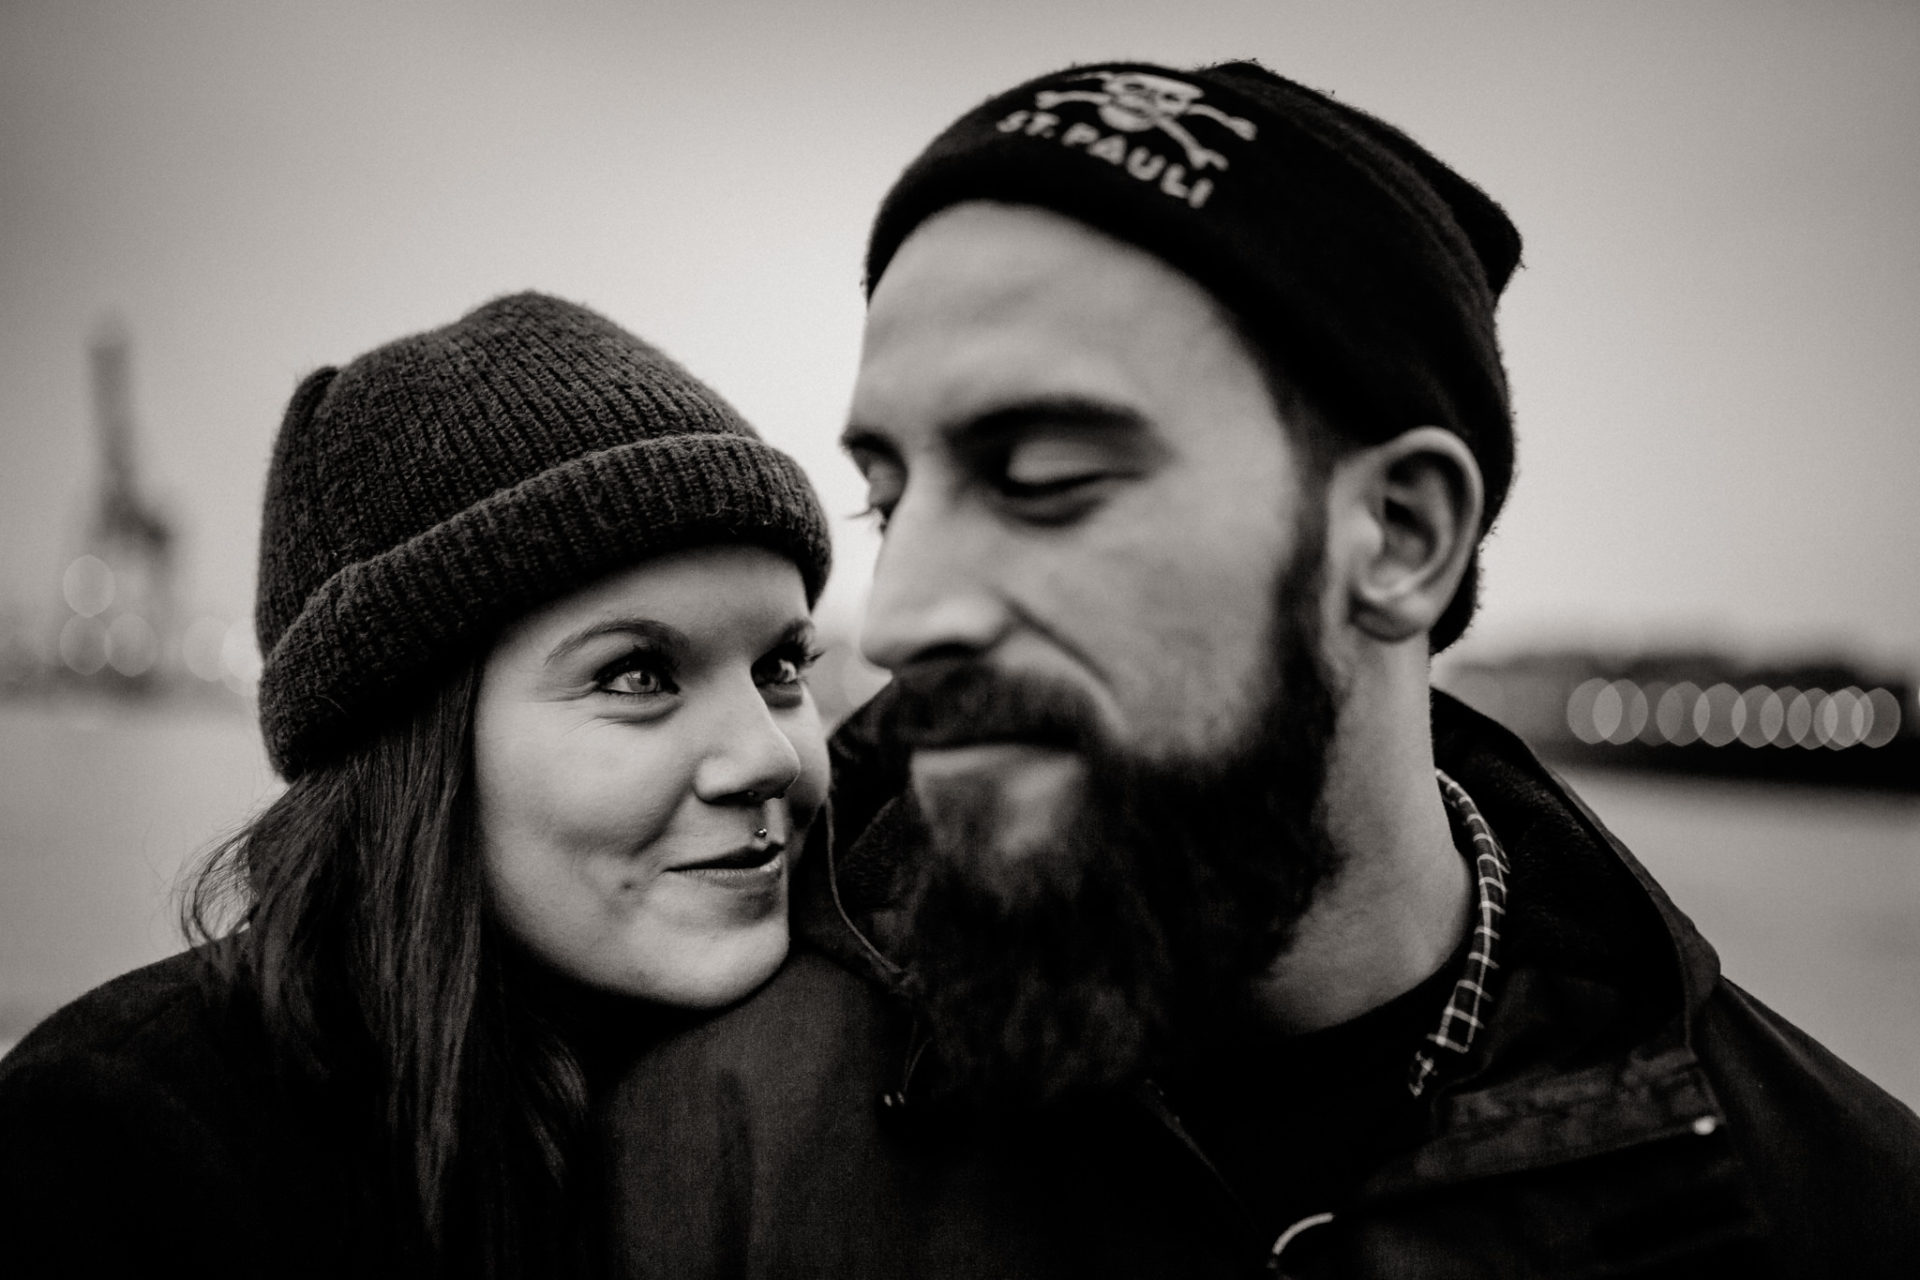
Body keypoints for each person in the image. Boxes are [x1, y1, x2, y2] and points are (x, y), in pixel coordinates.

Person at [602, 62, 1920, 1278]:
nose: (898, 617)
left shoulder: (1821, 1205)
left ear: (1399, 536)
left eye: (1043, 478)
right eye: (893, 503)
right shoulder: (717, 1145)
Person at [0, 292, 834, 1279]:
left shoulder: (876, 1045)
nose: (769, 754)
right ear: (410, 749)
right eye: (637, 675)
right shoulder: (128, 1151)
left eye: (781, 667)